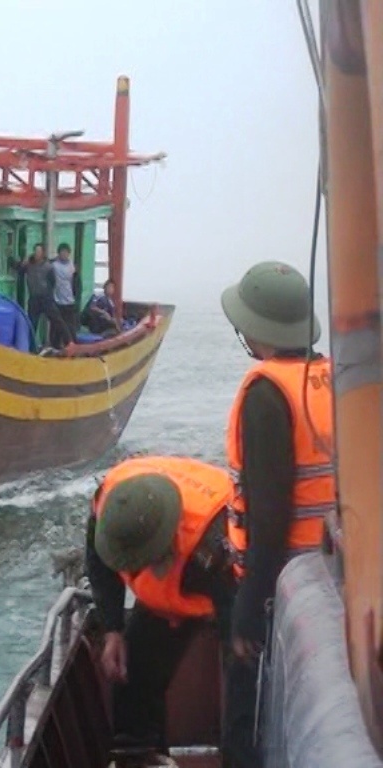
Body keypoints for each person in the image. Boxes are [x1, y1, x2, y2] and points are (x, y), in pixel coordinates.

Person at [220, 260, 335, 766]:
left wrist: (247, 607)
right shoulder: (332, 378)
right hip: (332, 575)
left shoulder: (267, 394)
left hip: (281, 583)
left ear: (254, 330)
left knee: (245, 716)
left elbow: (270, 512)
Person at [85, 456, 238, 759]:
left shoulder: (214, 540)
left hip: (222, 589)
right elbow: (99, 567)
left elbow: (236, 619)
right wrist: (113, 629)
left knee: (243, 691)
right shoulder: (110, 507)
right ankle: (138, 755)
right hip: (161, 602)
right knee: (132, 684)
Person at [12, 243, 71, 350]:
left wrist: (47, 292)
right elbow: (18, 269)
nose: (37, 254)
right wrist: (10, 258)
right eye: (35, 251)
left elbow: (52, 282)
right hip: (34, 299)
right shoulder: (29, 264)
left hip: (46, 298)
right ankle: (31, 348)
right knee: (32, 324)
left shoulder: (48, 266)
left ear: (43, 253)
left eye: (39, 251)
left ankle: (69, 342)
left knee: (57, 320)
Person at [52, 243, 80, 341]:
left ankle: (71, 344)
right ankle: (55, 345)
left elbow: (77, 284)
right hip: (57, 301)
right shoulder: (54, 265)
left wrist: (76, 298)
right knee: (56, 325)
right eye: (62, 252)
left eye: (66, 252)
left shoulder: (73, 267)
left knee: (70, 325)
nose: (64, 254)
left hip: (70, 301)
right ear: (59, 253)